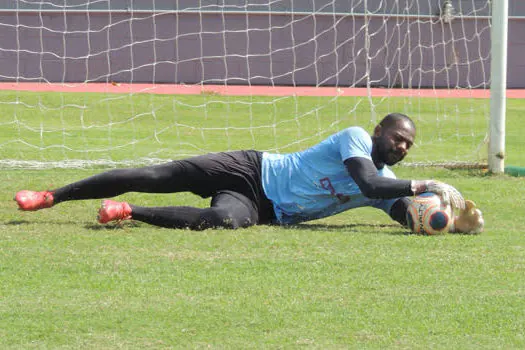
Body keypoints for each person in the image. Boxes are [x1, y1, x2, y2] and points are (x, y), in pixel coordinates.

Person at [14, 113, 484, 234]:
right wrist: (426, 183)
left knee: (221, 223)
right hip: (252, 167)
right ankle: (51, 196)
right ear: (380, 129)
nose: (400, 146)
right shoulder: (356, 138)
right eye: (397, 137)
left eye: (408, 145)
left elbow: (405, 210)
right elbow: (368, 183)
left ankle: (128, 212)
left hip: (265, 208)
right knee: (154, 173)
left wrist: (454, 221)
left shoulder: (387, 185)